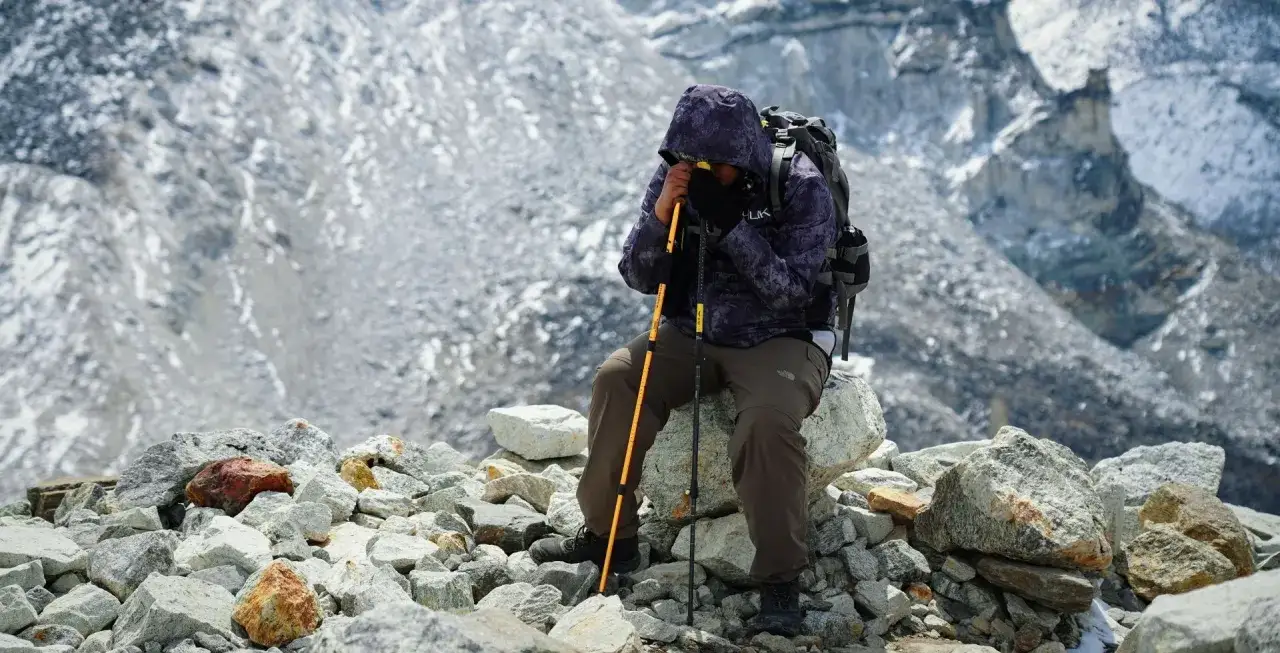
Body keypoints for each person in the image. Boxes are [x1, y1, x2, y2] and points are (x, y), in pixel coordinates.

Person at [529, 83, 838, 636]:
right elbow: (639, 275)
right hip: (691, 327)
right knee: (618, 379)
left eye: (713, 165)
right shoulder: (680, 175)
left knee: (766, 424)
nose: (699, 171)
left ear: (742, 157)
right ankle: (610, 537)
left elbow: (789, 290)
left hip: (780, 336)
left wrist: (733, 228)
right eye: (688, 160)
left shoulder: (798, 185)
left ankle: (779, 578)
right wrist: (662, 212)